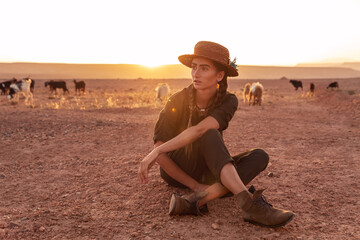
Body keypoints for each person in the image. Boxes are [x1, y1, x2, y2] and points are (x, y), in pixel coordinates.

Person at [138, 41, 295, 228]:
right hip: (178, 169)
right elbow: (162, 155)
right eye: (194, 67)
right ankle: (248, 204)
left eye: (204, 68)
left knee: (260, 156)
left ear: (219, 75)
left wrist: (154, 153)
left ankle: (195, 201)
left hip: (209, 169)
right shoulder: (177, 100)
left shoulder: (228, 100)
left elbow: (200, 130)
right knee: (210, 134)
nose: (196, 73)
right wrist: (190, 182)